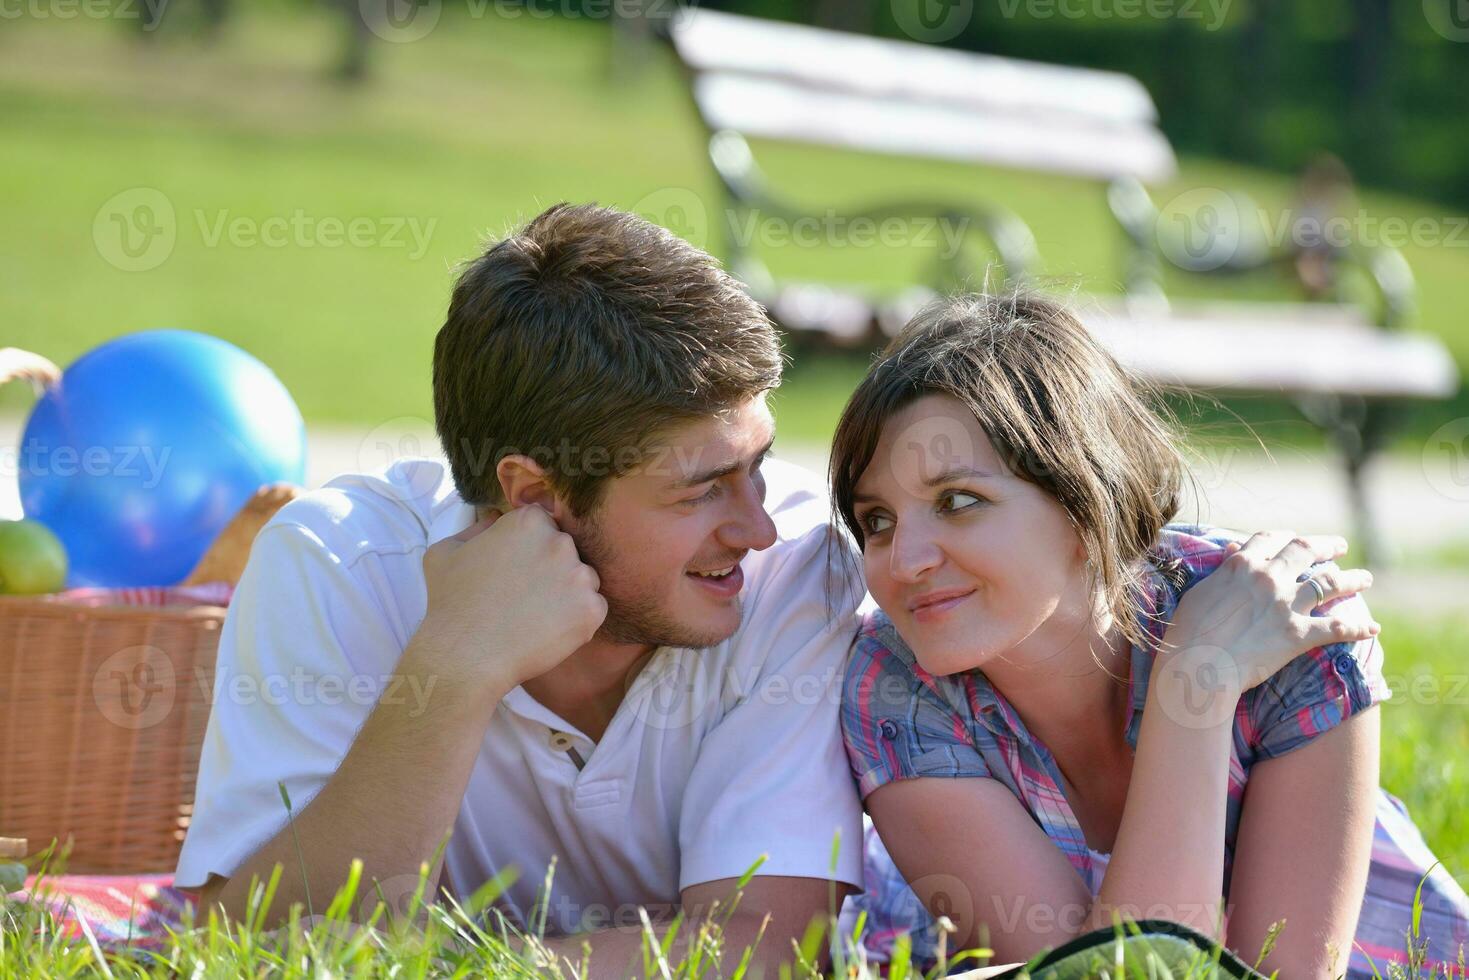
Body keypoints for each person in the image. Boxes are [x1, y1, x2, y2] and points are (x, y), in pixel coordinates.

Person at [174, 203, 864, 976]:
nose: (756, 527)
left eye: (758, 465)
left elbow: (763, 952)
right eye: (701, 490)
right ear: (535, 497)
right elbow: (256, 952)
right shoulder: (339, 564)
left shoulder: (799, 566)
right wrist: (454, 667)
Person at [832, 293, 1469, 977]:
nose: (904, 561)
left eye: (957, 502)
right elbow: (1111, 976)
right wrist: (1194, 687)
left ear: (1088, 502)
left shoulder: (1282, 627)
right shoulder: (892, 683)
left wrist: (1201, 672)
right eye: (877, 520)